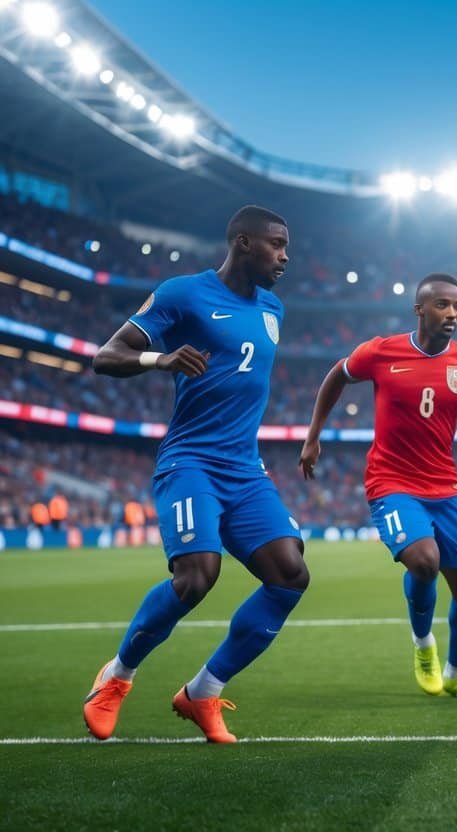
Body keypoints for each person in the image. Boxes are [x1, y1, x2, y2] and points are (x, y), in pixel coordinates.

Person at [84, 205, 307, 744]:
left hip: (244, 468)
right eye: (275, 244)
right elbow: (105, 356)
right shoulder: (184, 293)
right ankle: (117, 677)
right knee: (197, 576)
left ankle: (202, 691)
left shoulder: (274, 307)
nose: (284, 256)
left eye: (286, 245)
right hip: (191, 461)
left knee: (290, 576)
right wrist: (158, 361)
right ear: (242, 242)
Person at [300, 273, 457, 700]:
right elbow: (335, 376)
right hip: (391, 480)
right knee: (424, 560)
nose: (451, 314)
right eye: (442, 305)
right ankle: (423, 646)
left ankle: (455, 674)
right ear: (419, 309)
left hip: (445, 488)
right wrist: (313, 435)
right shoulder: (380, 352)